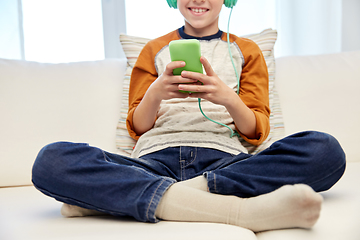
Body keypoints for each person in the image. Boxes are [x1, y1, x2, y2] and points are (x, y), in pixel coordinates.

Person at [32, 0, 346, 233]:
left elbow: (257, 131)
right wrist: (156, 93)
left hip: (226, 161)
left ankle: (137, 198)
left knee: (324, 150)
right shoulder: (154, 49)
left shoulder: (247, 50)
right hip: (153, 162)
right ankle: (239, 211)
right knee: (52, 160)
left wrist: (227, 98)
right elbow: (138, 127)